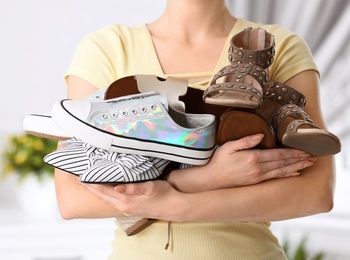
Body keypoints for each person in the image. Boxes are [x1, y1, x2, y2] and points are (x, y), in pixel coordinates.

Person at [55, 0, 335, 259]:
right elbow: (73, 198)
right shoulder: (109, 49)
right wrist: (205, 178)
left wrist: (173, 205)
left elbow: (316, 192)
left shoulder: (281, 45)